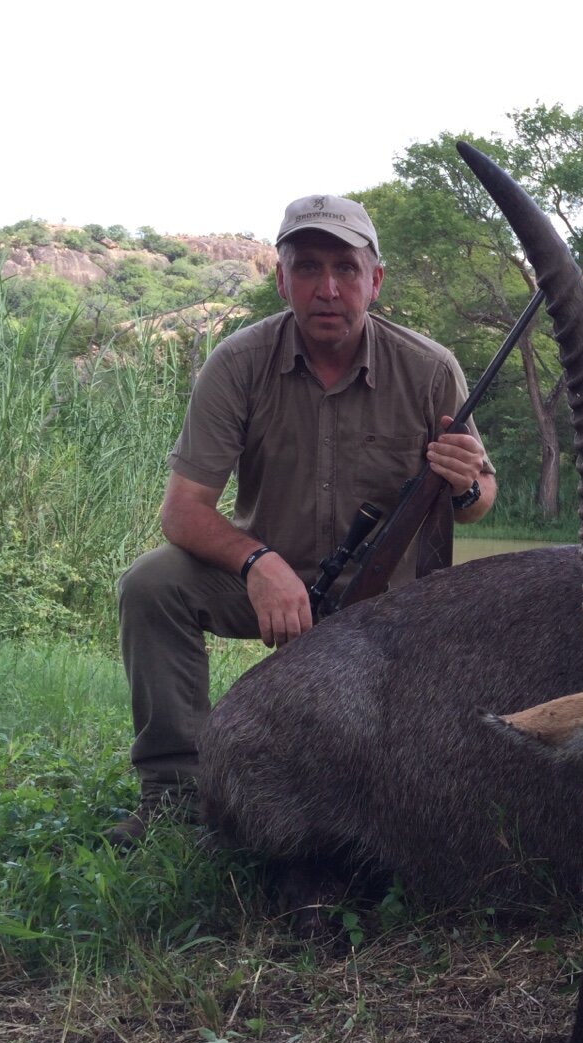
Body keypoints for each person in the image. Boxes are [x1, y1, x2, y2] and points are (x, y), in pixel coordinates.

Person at [111, 194, 496, 846]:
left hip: (394, 607)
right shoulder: (237, 363)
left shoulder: (431, 370)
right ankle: (173, 797)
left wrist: (465, 483)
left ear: (375, 280)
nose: (327, 288)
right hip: (270, 584)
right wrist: (257, 564)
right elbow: (181, 510)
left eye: (346, 269)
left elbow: (479, 497)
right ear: (280, 277)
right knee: (150, 585)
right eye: (308, 267)